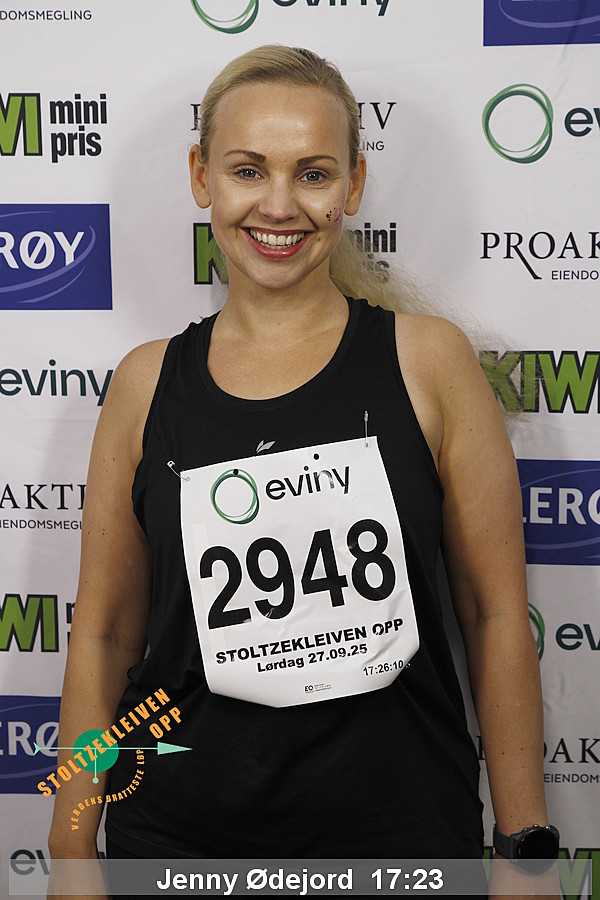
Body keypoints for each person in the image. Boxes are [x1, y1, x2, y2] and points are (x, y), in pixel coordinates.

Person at [48, 44, 556, 873]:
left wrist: (525, 848)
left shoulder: (429, 362)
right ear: (202, 177)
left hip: (401, 842)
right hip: (177, 846)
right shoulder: (144, 385)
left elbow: (494, 615)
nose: (279, 205)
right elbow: (103, 636)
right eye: (248, 170)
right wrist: (70, 845)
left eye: (313, 174)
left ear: (353, 185)